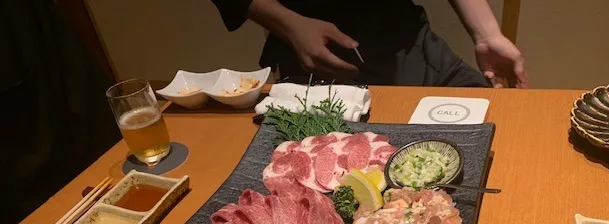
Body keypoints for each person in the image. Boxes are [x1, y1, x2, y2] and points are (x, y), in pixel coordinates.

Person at [212, 0, 528, 88]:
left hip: (414, 45)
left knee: (500, 130)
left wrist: (487, 35)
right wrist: (290, 25)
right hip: (320, 61)